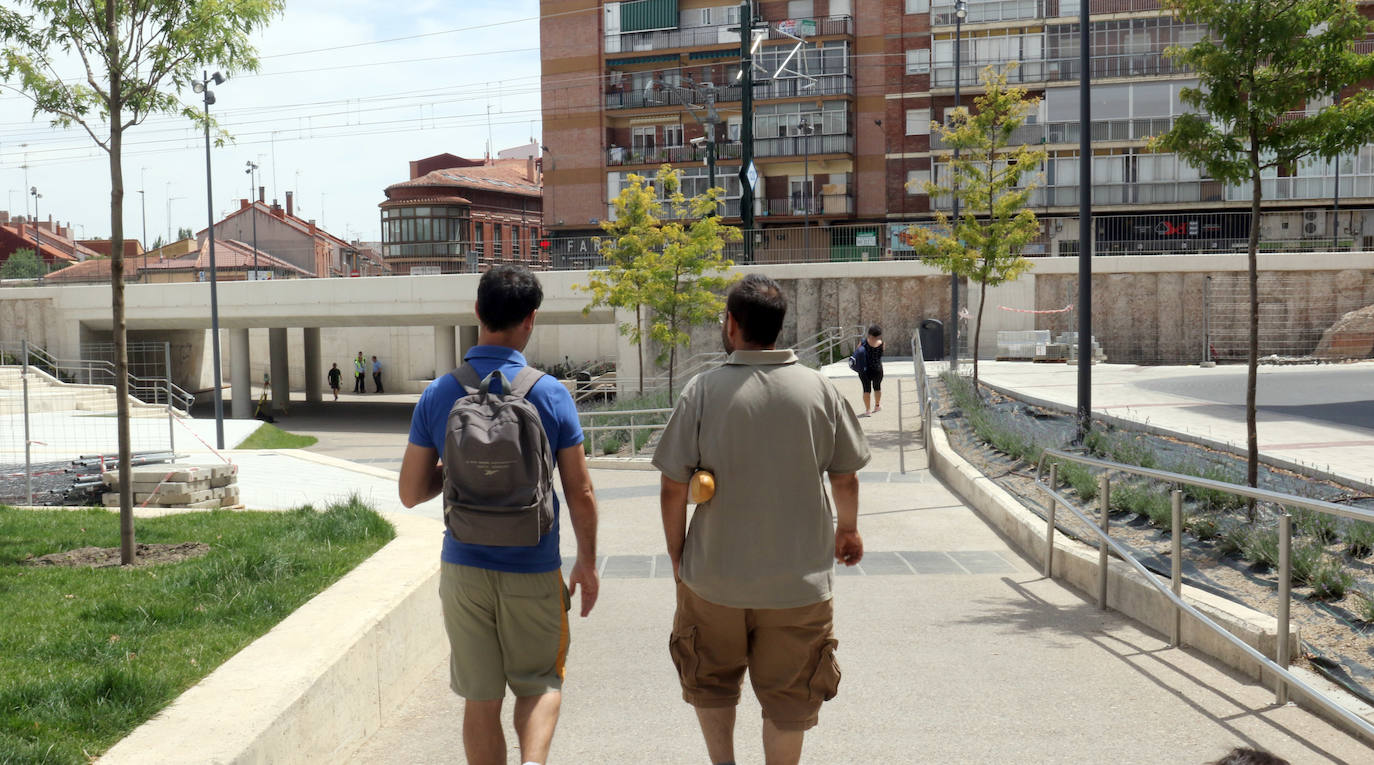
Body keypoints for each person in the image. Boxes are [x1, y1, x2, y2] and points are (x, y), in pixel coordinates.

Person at [653, 273, 870, 765]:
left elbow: (671, 486)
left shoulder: (702, 391)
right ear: (779, 326)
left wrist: (678, 555)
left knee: (710, 682)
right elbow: (846, 477)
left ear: (731, 324)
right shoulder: (818, 388)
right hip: (798, 584)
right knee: (790, 700)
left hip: (712, 580)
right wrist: (848, 529)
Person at [398, 265, 599, 765]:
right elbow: (581, 492)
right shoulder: (550, 393)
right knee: (540, 684)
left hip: (464, 568)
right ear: (530, 320)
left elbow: (408, 492)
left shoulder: (440, 394)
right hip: (533, 568)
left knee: (480, 700)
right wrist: (587, 563)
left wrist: (462, 472)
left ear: (477, 313)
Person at [859, 324, 885, 415]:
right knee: (877, 388)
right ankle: (877, 406)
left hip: (864, 370)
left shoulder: (863, 342)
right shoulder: (881, 343)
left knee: (866, 390)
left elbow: (858, 353)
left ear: (869, 333)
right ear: (879, 335)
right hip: (877, 368)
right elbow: (882, 353)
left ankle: (867, 410)